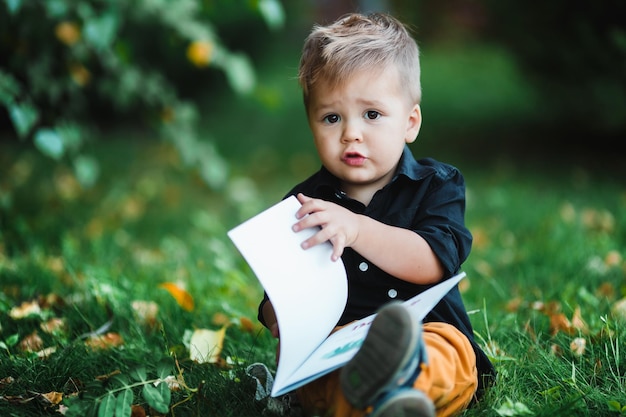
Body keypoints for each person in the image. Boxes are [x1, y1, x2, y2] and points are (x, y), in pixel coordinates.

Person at [257, 12, 495, 417]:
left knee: (448, 356)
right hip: (338, 349)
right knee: (323, 376)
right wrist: (279, 312)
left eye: (371, 115)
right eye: (332, 117)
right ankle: (382, 399)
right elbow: (275, 298)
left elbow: (434, 261)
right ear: (311, 123)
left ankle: (396, 385)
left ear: (410, 122)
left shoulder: (436, 185)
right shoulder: (303, 204)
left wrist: (357, 229)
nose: (351, 133)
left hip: (426, 334)